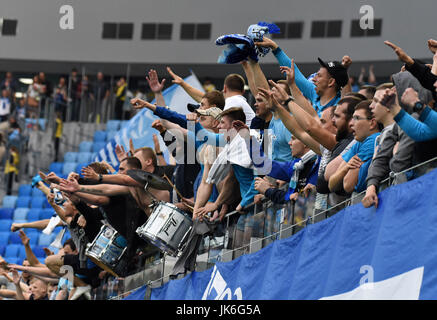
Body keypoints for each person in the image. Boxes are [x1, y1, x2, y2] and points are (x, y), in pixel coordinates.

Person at [254, 36, 348, 117]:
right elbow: (296, 74)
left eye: (319, 76)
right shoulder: (314, 94)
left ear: (331, 82)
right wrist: (275, 48)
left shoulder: (339, 108)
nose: (314, 79)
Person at [362, 84, 415, 208]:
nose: (370, 106)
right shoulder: (392, 131)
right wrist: (371, 187)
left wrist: (395, 156)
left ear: (388, 106)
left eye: (376, 101)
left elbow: (398, 165)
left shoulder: (411, 122)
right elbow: (379, 163)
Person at [166, 67, 256, 126]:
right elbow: (208, 100)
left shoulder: (232, 101)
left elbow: (209, 103)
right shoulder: (238, 102)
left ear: (224, 88)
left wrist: (166, 113)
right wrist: (183, 84)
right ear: (243, 91)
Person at [328, 100, 380, 199]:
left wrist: (343, 170)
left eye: (356, 118)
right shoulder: (359, 142)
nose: (351, 124)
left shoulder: (373, 140)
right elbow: (331, 184)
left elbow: (348, 185)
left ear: (372, 123)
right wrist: (346, 168)